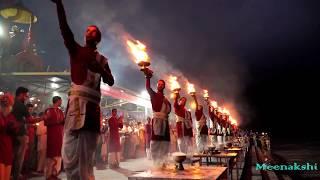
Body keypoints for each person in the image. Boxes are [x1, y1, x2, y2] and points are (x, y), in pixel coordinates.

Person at [50, 0, 114, 178]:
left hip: (92, 111)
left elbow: (111, 80)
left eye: (94, 31)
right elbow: (65, 29)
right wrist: (59, 5)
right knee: (69, 153)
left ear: (98, 38)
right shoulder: (76, 50)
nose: (90, 32)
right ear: (85, 36)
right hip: (74, 107)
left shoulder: (102, 60)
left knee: (86, 157)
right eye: (88, 30)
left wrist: (99, 69)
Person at [11, 87, 41, 180]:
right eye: (26, 95)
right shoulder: (21, 105)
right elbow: (30, 120)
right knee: (19, 157)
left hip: (11, 133)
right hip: (20, 133)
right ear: (21, 94)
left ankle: (10, 174)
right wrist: (43, 118)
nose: (27, 98)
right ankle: (16, 176)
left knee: (12, 155)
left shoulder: (11, 103)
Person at [145, 70, 171, 167]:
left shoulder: (166, 99)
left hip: (165, 122)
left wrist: (167, 102)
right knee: (156, 142)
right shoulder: (154, 95)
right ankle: (156, 163)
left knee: (164, 142)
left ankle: (164, 162)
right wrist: (147, 77)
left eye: (162, 84)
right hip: (157, 121)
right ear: (157, 86)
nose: (160, 85)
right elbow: (147, 87)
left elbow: (169, 110)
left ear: (164, 86)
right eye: (159, 84)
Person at [0, 93, 20, 180]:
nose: (5, 103)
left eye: (7, 102)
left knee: (6, 171)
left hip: (8, 145)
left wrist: (14, 128)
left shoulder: (11, 116)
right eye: (3, 102)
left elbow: (16, 129)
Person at [44, 96, 64, 179]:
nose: (61, 102)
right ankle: (49, 175)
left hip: (59, 135)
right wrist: (56, 122)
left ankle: (55, 174)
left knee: (58, 153)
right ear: (57, 101)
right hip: (52, 134)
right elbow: (46, 121)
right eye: (61, 101)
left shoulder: (60, 111)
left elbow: (63, 121)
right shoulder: (49, 110)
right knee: (51, 153)